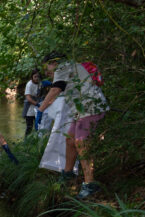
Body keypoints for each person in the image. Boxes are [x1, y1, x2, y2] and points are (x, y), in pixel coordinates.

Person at [38, 52, 109, 199]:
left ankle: (90, 184)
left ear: (54, 63)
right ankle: (68, 173)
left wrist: (40, 110)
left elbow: (56, 89)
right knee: (69, 140)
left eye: (47, 67)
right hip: (82, 110)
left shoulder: (63, 67)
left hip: (91, 107)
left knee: (81, 142)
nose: (47, 72)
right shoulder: (69, 67)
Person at [22, 69, 41, 136]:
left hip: (37, 108)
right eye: (35, 77)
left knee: (38, 125)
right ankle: (26, 142)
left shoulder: (40, 84)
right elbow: (28, 98)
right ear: (32, 77)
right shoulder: (29, 84)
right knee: (29, 127)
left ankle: (36, 140)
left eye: (38, 77)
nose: (37, 78)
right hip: (29, 108)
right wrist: (37, 104)